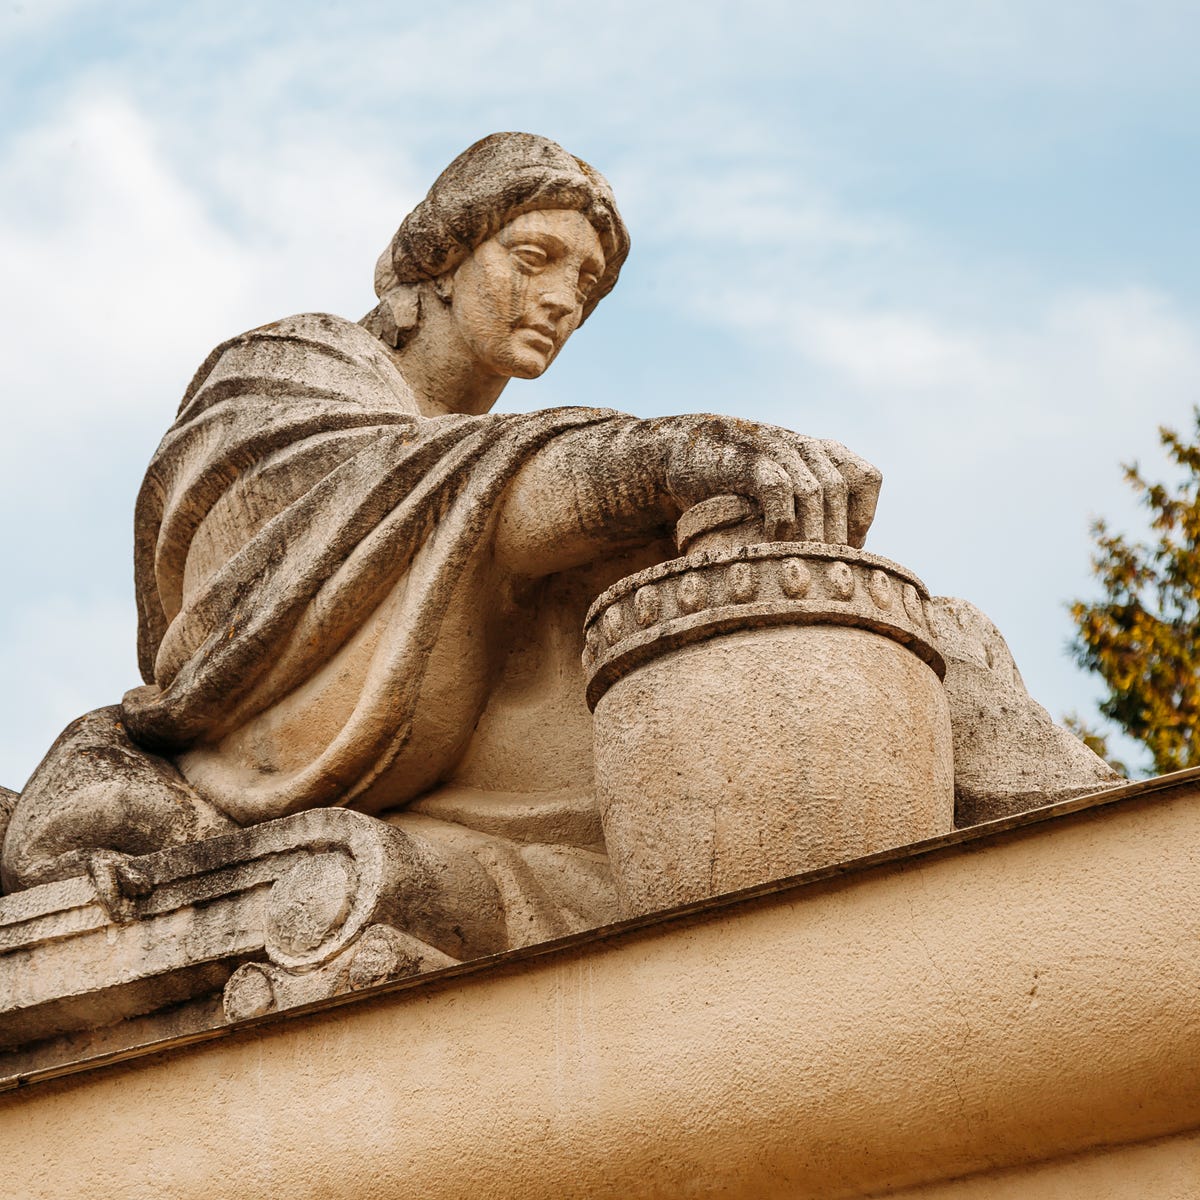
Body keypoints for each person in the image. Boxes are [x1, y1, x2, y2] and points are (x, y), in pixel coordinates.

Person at [0, 134, 1114, 945]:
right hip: (311, 748)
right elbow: (321, 541)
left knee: (929, 640)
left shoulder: (492, 454)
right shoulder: (290, 368)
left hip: (492, 746)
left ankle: (1103, 870)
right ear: (438, 259)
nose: (561, 299)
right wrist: (657, 461)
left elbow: (482, 491)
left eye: (585, 281)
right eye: (532, 256)